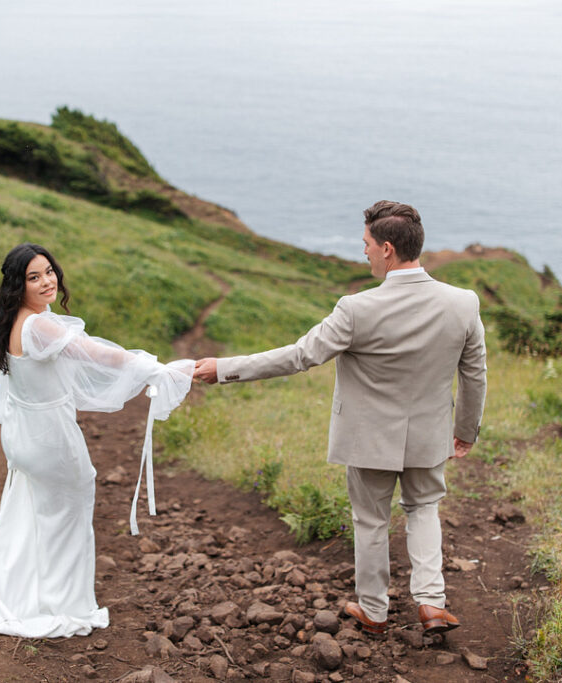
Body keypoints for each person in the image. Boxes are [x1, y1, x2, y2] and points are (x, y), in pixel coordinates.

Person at [193, 200, 486, 637]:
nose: (362, 251)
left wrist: (226, 368)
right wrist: (465, 431)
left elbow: (298, 356)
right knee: (424, 510)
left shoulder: (356, 309)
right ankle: (431, 602)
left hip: (368, 440)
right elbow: (475, 373)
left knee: (371, 522)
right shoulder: (463, 303)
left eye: (366, 244)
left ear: (387, 249)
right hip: (429, 435)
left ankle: (374, 611)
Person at [0, 243, 193, 639]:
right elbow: (100, 356)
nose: (47, 281)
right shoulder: (40, 326)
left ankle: (22, 591)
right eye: (33, 277)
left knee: (34, 513)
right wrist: (158, 369)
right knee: (70, 513)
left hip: (24, 435)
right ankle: (62, 605)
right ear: (17, 285)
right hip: (50, 438)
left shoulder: (16, 321)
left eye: (49, 271)